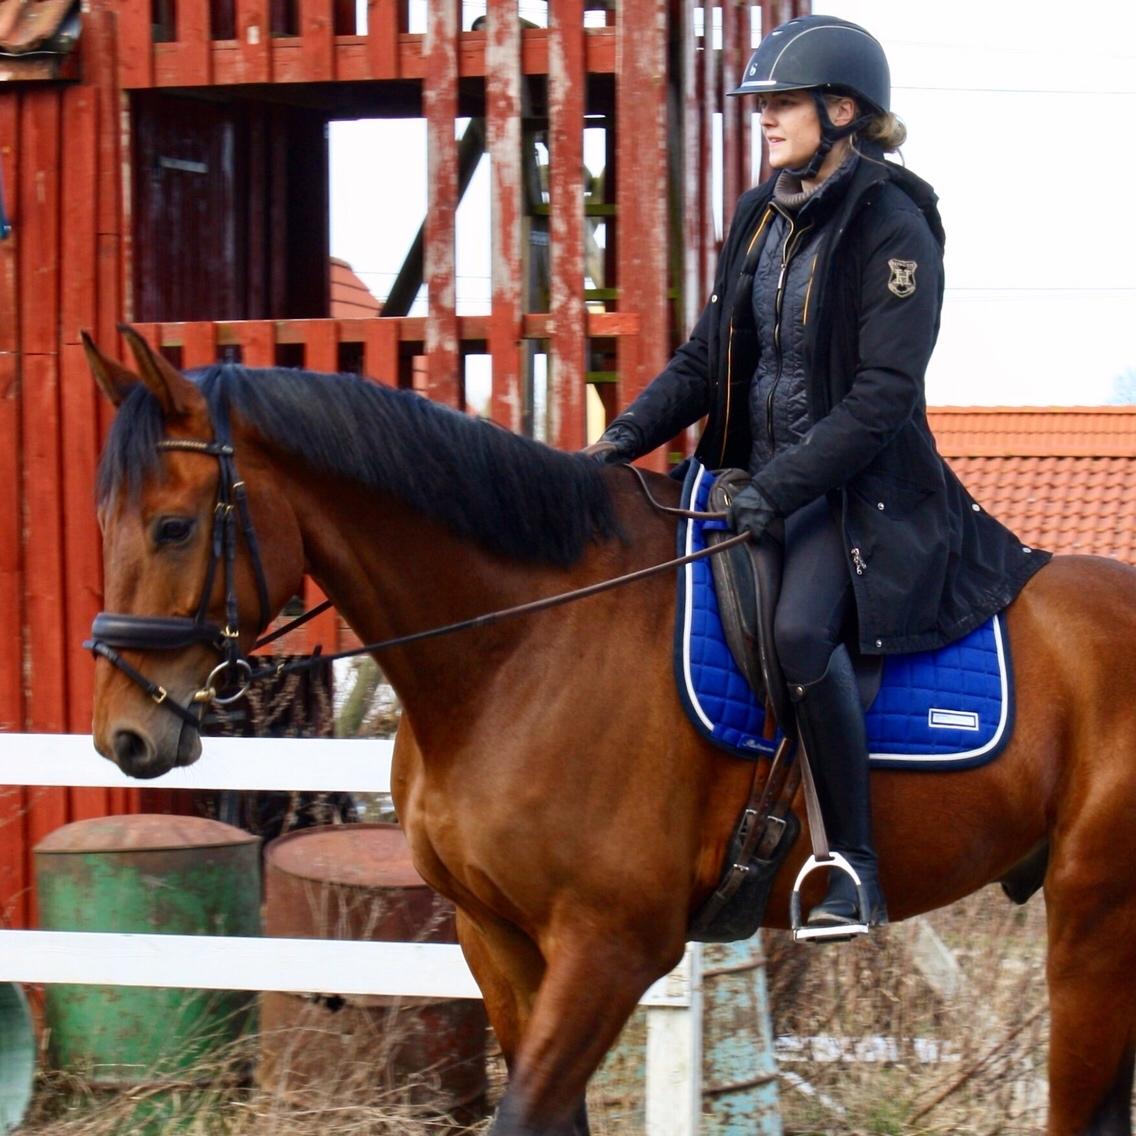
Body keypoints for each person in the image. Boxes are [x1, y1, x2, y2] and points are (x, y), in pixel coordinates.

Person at [586, 14, 1050, 936]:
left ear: (843, 111)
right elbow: (704, 356)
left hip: (860, 497)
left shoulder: (896, 223)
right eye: (762, 105)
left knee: (800, 633)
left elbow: (882, 398)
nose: (765, 119)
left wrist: (779, 488)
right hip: (749, 483)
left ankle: (853, 865)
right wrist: (618, 442)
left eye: (783, 104)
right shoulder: (761, 215)